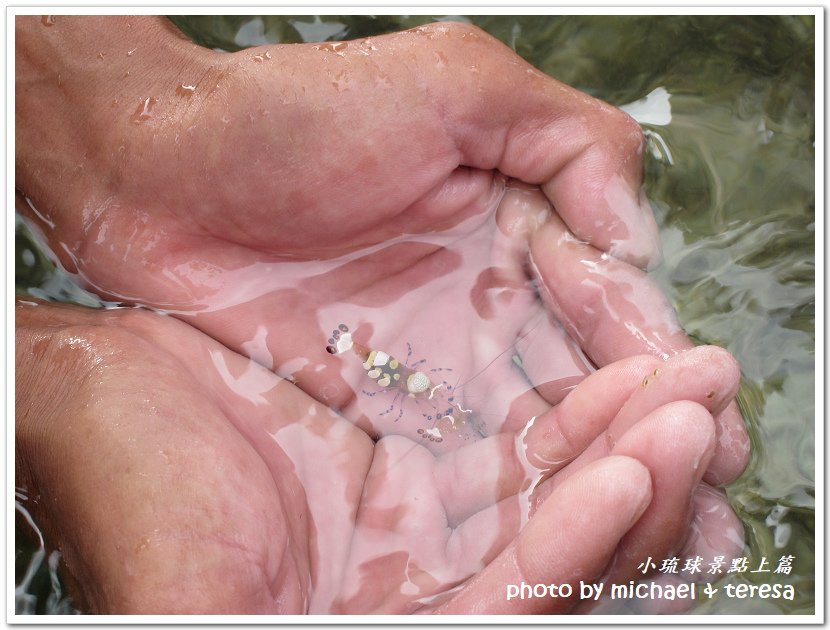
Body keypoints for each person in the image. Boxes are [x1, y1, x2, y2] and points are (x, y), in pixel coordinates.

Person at [15, 15, 750, 614]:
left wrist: (105, 117)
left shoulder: (389, 371)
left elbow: (393, 377)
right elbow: (384, 372)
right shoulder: (376, 360)